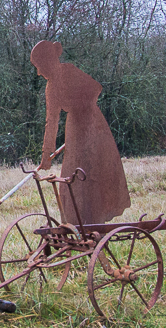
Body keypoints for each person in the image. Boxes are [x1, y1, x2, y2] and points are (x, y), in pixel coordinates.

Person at [30, 40, 130, 225]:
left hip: (92, 127)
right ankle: (78, 224)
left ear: (49, 61)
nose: (39, 72)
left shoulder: (66, 73)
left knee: (87, 175)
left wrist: (80, 105)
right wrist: (47, 154)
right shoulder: (52, 86)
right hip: (77, 128)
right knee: (73, 179)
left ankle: (92, 223)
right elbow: (51, 122)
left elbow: (95, 88)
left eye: (40, 66)